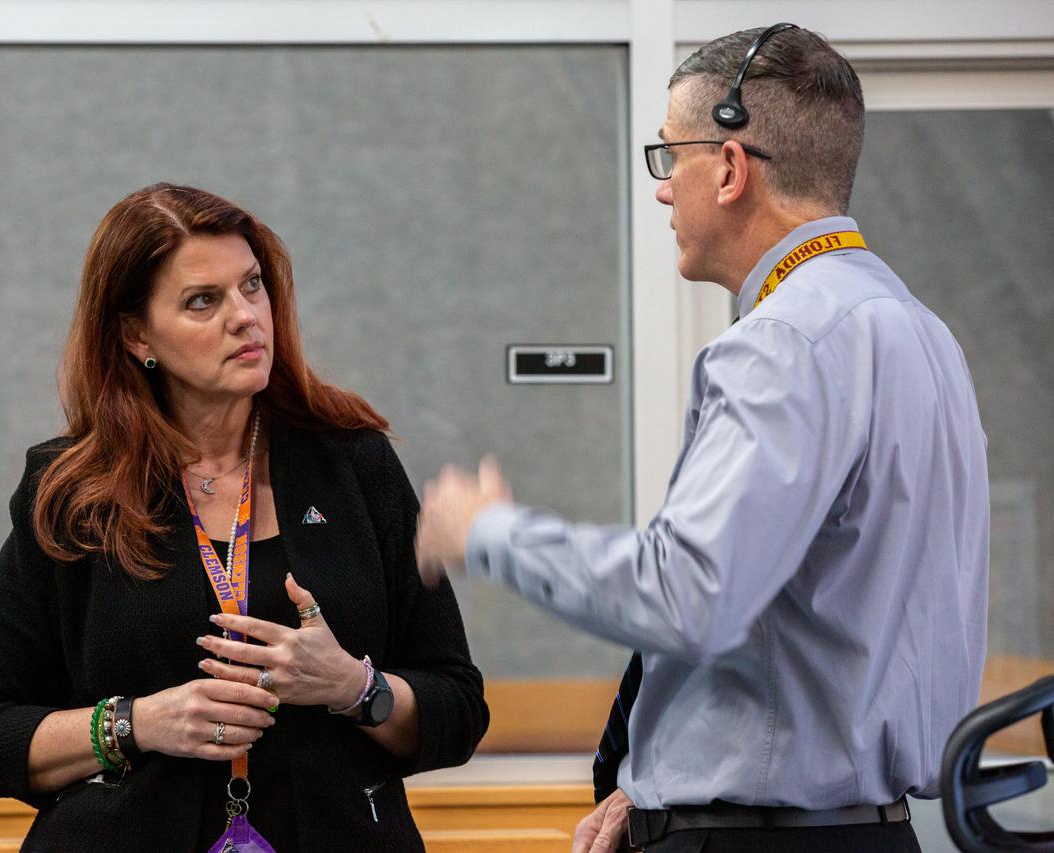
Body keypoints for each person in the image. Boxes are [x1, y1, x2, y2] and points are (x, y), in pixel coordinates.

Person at [416, 24, 988, 853]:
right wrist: (653, 793)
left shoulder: (785, 343)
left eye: (668, 157)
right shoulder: (922, 336)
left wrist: (488, 534)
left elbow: (690, 596)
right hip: (864, 830)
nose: (660, 190)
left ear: (728, 168)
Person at [0, 183, 489, 852]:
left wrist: (354, 685)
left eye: (252, 286)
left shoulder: (353, 464)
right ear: (135, 334)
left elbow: (458, 707)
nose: (245, 316)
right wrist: (136, 722)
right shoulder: (72, 492)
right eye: (204, 300)